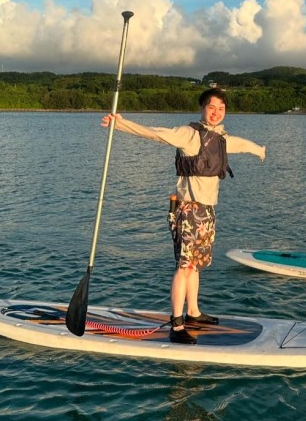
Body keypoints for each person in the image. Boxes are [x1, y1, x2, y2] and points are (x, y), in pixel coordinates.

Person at [102, 88, 265, 344]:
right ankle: (177, 325)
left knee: (195, 266)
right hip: (188, 210)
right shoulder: (189, 135)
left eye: (221, 109)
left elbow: (240, 144)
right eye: (212, 108)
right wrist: (120, 124)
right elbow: (156, 134)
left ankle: (193, 312)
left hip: (207, 210)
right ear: (202, 108)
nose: (216, 113)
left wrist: (259, 149)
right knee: (184, 267)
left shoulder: (219, 137)